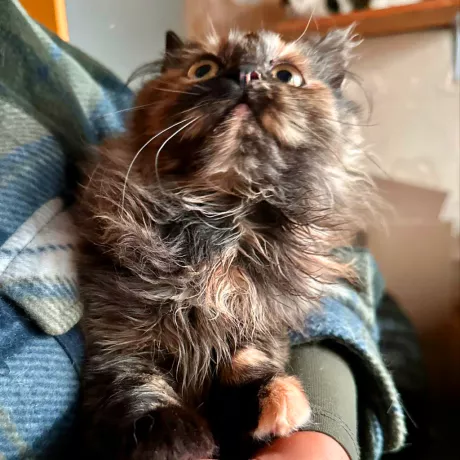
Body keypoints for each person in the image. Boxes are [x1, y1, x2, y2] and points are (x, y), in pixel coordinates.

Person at [0, 1, 408, 459]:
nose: (246, 77)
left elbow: (346, 278)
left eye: (286, 75)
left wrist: (321, 430)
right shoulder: (114, 214)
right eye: (204, 70)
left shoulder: (51, 67)